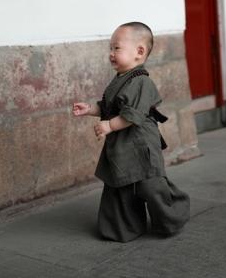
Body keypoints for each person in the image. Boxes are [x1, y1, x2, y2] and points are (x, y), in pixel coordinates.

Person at [72, 21, 190, 242]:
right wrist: (91, 109)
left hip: (140, 143)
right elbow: (110, 107)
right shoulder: (120, 79)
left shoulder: (141, 82)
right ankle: (124, 227)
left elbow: (132, 114)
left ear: (139, 52)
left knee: (149, 185)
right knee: (121, 183)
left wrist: (108, 125)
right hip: (122, 145)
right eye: (110, 48)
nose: (111, 53)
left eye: (117, 48)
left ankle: (172, 216)